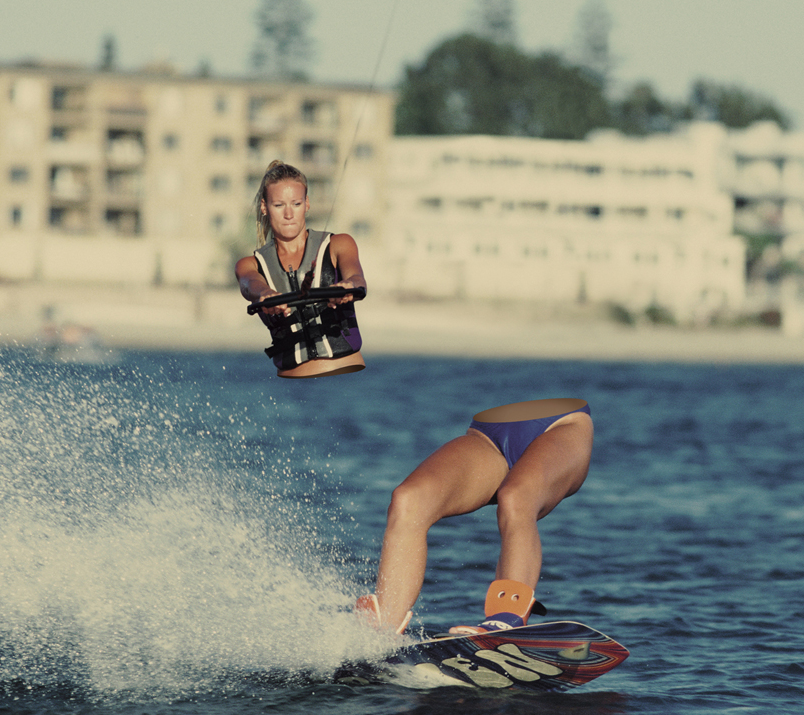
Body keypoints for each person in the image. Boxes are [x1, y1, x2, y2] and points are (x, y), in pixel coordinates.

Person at [356, 397, 593, 636]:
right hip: (486, 435)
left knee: (515, 497)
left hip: (562, 425)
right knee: (408, 500)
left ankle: (506, 619)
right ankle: (384, 628)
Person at [235, 161, 367, 378]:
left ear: (307, 203)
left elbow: (357, 278)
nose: (289, 214)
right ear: (264, 207)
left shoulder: (339, 244)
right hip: (290, 383)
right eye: (279, 205)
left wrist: (349, 286)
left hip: (346, 375)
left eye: (296, 204)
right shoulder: (250, 264)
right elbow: (249, 284)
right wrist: (265, 294)